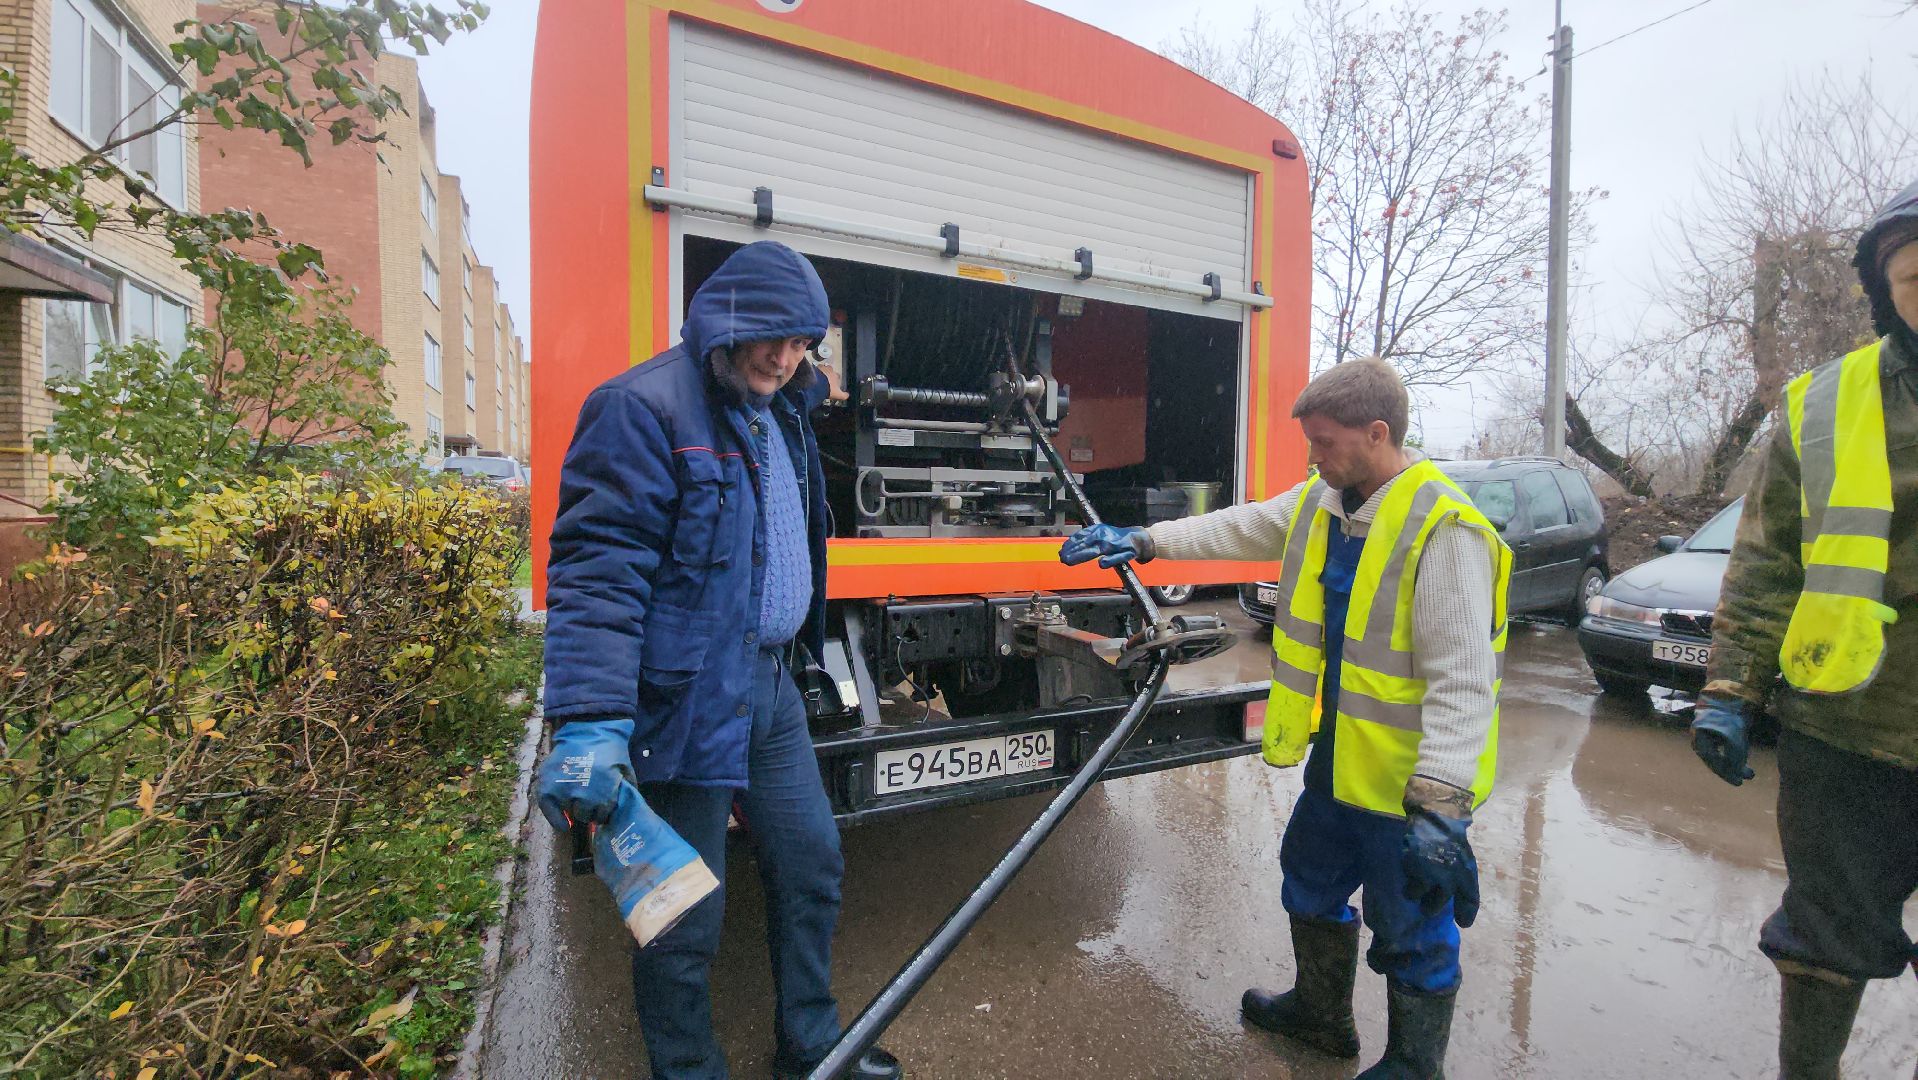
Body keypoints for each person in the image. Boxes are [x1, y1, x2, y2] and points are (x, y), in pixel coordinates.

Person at [1060, 358, 1509, 1079]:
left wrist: (1442, 809)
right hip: (1340, 763)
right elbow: (1240, 528)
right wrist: (1145, 543)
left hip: (1407, 787)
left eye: (1325, 442)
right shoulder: (1325, 503)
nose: (1313, 457)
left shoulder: (1446, 529)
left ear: (1377, 432)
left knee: (1412, 927)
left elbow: (1464, 683)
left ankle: (1416, 1066)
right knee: (1308, 875)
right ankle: (1322, 1016)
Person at [537, 241, 898, 1080]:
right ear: (726, 318)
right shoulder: (641, 408)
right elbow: (598, 572)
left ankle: (813, 1047)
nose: (784, 356)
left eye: (802, 341)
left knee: (812, 863)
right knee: (681, 916)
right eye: (770, 335)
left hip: (768, 686)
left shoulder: (783, 408)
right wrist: (589, 719)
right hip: (684, 700)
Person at [1691, 180, 1918, 1080]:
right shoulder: (1826, 404)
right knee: (1822, 939)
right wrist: (1729, 690)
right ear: (1883, 289)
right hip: (1846, 726)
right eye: (1911, 274)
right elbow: (1766, 561)